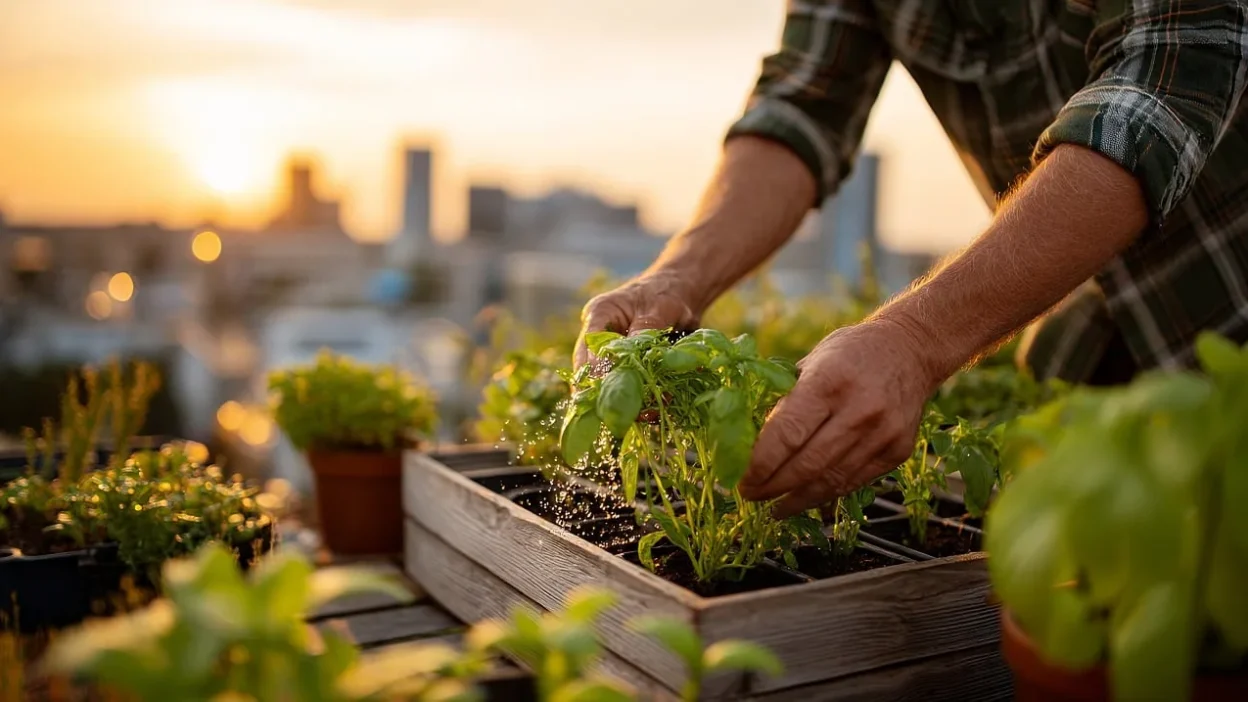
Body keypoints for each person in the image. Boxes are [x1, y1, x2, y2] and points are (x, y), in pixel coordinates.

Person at [574, 0, 1248, 518]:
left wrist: (915, 339)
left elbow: (1162, 83)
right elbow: (803, 105)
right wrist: (677, 277)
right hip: (1095, 349)